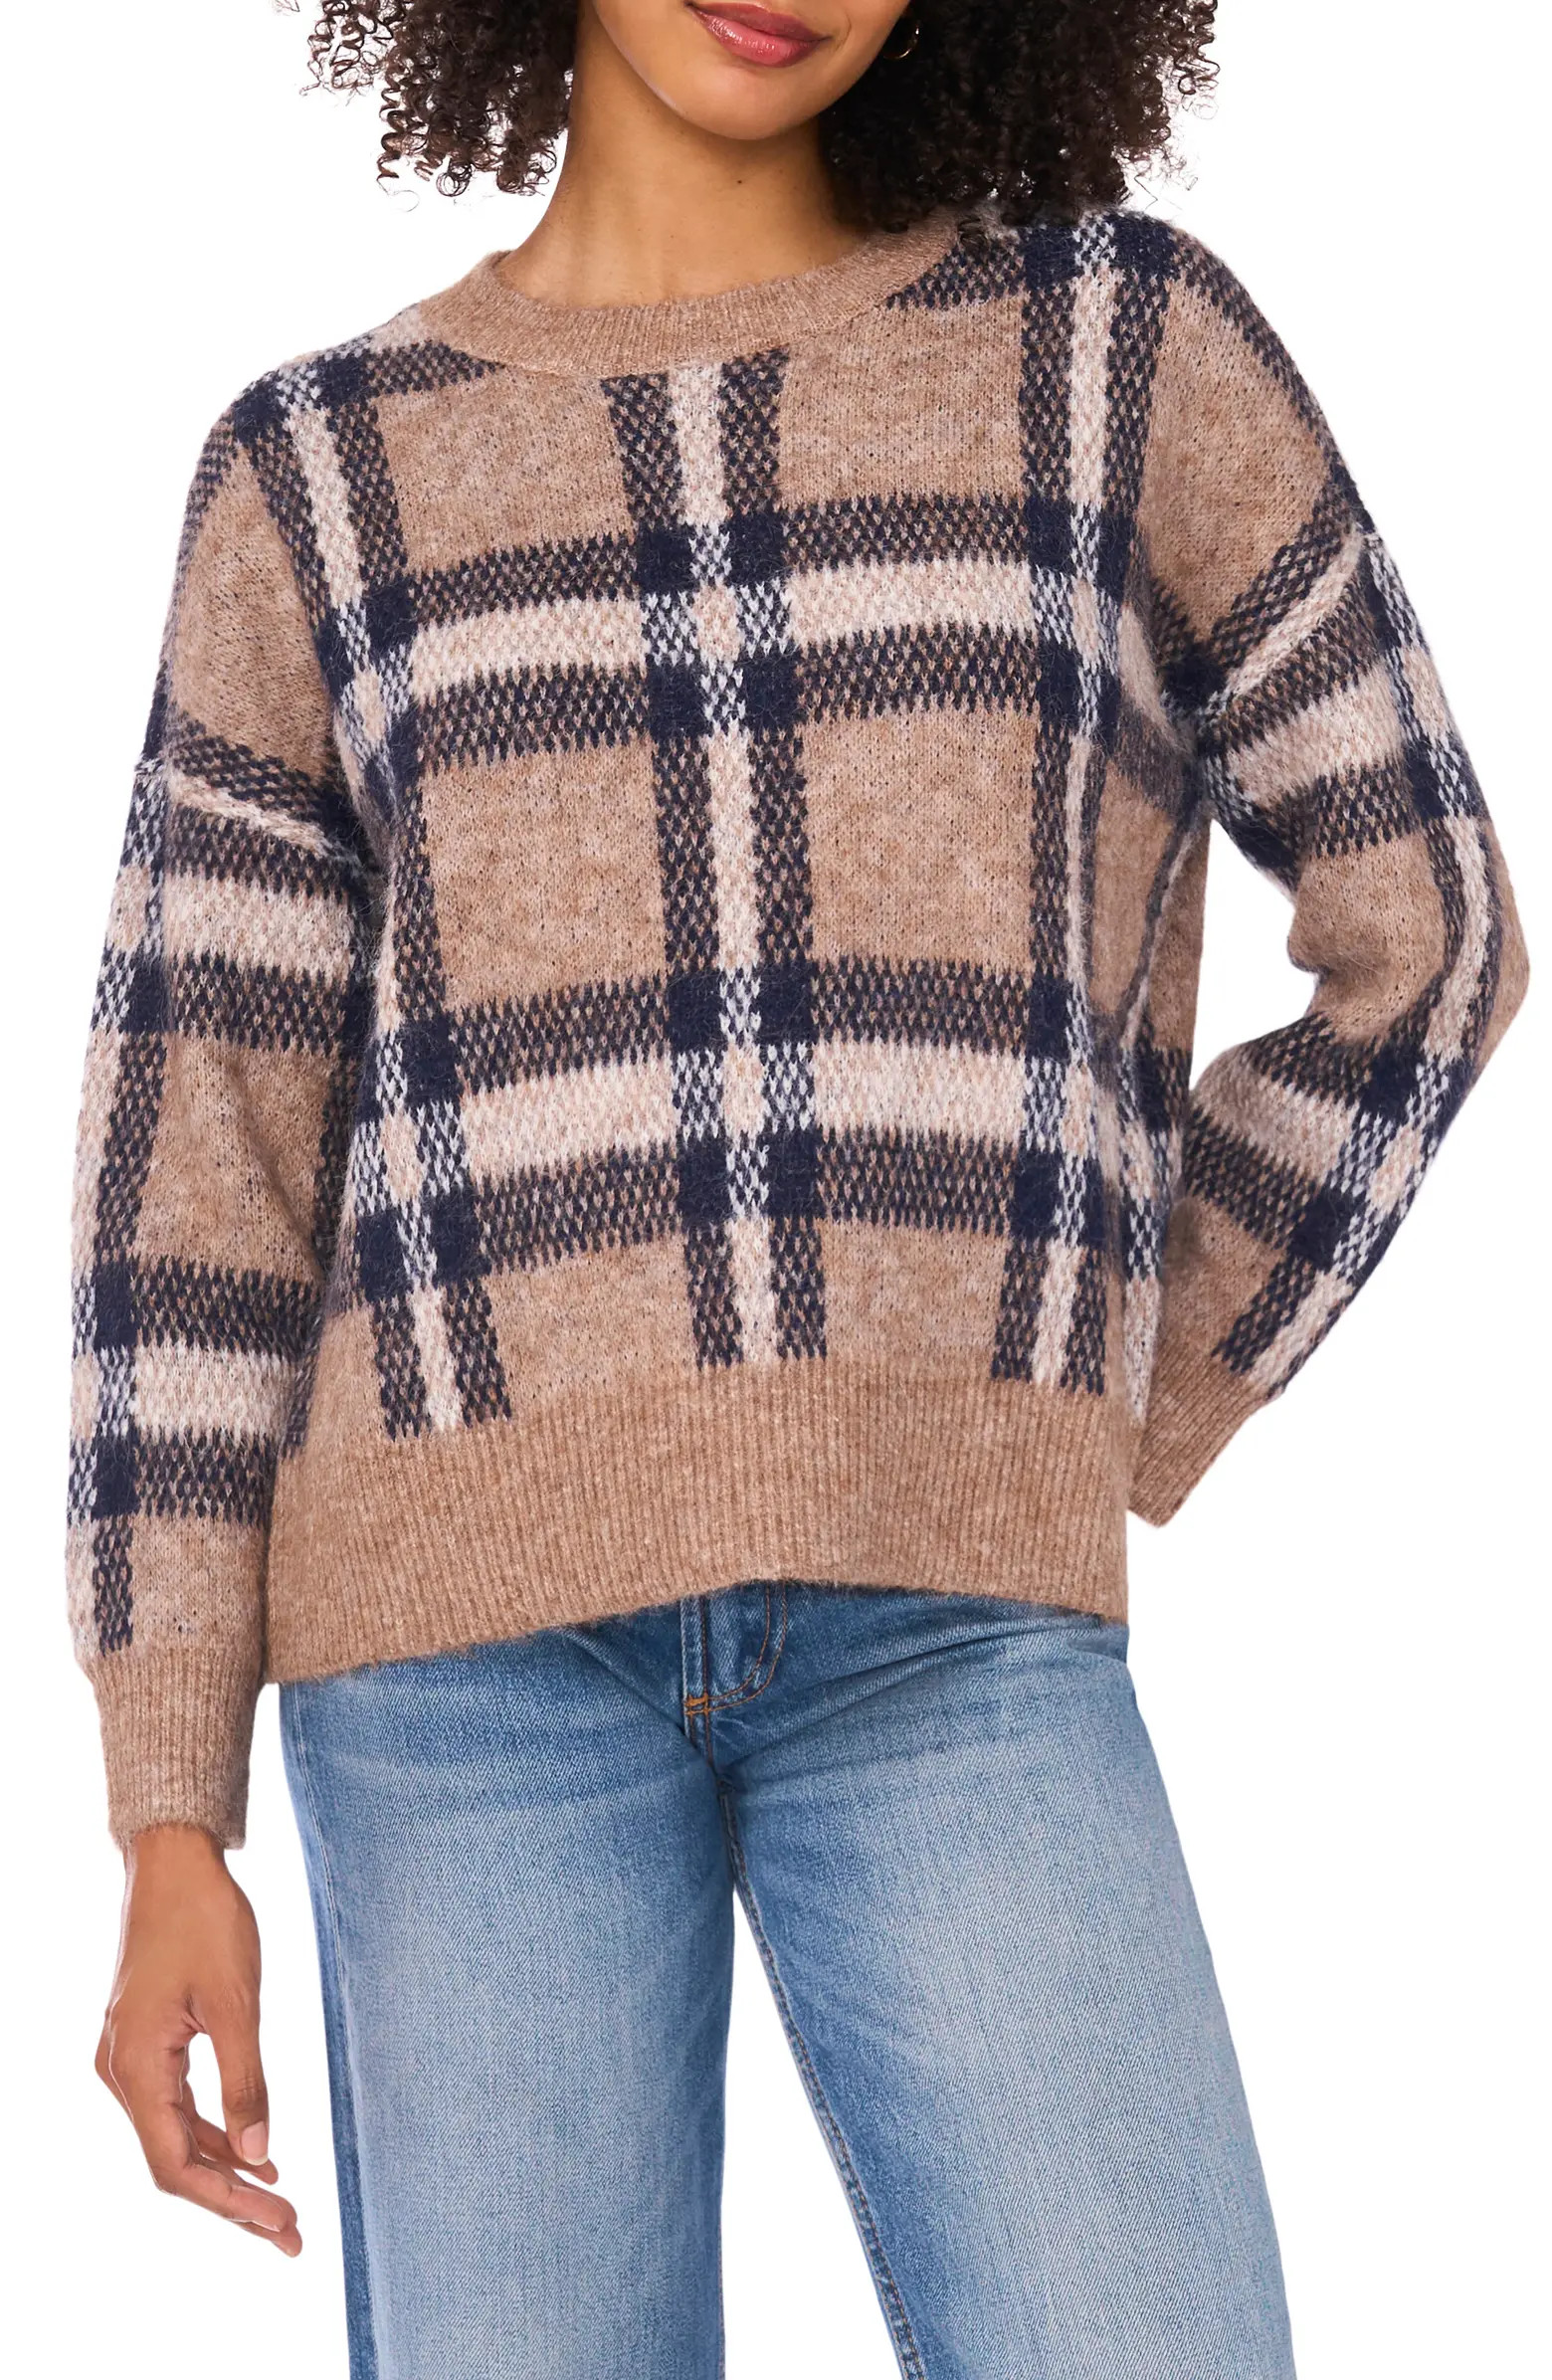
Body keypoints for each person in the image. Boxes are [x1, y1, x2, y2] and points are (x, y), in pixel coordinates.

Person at [72, 1, 1527, 2373]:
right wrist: (169, 1810)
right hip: (454, 1675)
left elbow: (1431, 928)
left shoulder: (1119, 352)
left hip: (953, 1632)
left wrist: (1100, 1383)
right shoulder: (315, 472)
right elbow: (197, 1167)